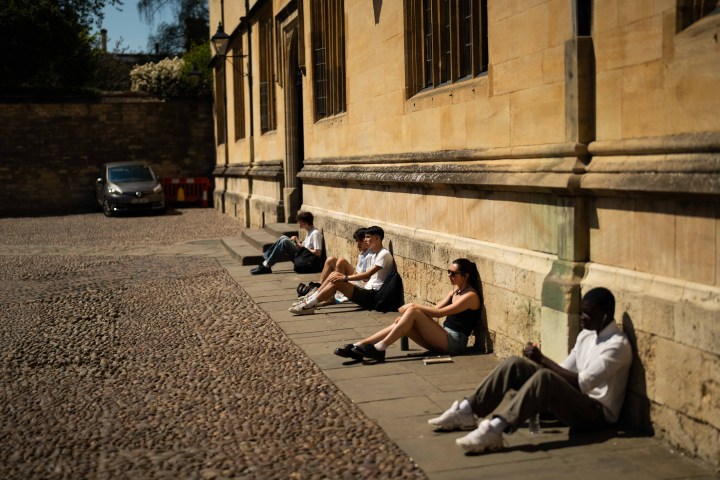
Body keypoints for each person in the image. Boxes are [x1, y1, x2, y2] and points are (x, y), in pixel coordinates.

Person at [427, 287, 632, 453]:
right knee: (515, 364)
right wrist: (536, 359)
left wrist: (542, 360)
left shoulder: (617, 345)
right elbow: (562, 370)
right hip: (574, 400)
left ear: (605, 316)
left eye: (588, 313)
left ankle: (496, 429)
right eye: (582, 311)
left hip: (596, 414)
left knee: (545, 377)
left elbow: (583, 383)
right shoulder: (586, 335)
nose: (582, 317)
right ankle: (467, 409)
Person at [334, 258, 483, 363]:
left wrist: (413, 306)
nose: (449, 276)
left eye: (453, 273)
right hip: (442, 338)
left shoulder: (471, 296)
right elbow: (435, 309)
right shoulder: (455, 291)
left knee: (413, 312)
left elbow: (441, 313)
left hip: (455, 343)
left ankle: (380, 348)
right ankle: (360, 345)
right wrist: (412, 312)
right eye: (448, 272)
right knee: (402, 321)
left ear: (466, 275)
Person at [288, 226, 393, 316]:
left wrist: (345, 278)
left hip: (372, 295)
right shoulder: (376, 253)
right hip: (367, 290)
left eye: (368, 237)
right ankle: (309, 300)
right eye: (365, 237)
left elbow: (368, 274)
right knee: (334, 274)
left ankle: (308, 305)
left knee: (337, 280)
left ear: (377, 238)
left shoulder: (384, 254)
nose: (365, 240)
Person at [296, 227, 372, 301]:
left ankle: (332, 292)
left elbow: (366, 277)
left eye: (360, 241)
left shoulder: (370, 255)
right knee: (330, 260)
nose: (358, 244)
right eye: (357, 241)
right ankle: (319, 287)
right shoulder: (362, 253)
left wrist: (348, 276)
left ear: (366, 241)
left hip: (361, 282)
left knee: (341, 262)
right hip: (357, 278)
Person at [250, 211, 323, 275]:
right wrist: (296, 240)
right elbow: (304, 247)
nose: (297, 223)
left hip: (307, 261)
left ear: (304, 222)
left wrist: (301, 248)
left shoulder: (315, 233)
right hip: (302, 256)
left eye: (299, 221)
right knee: (283, 237)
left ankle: (266, 265)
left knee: (285, 242)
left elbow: (318, 253)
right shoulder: (309, 232)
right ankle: (265, 261)